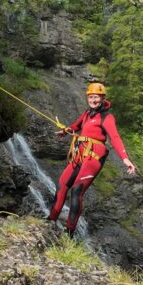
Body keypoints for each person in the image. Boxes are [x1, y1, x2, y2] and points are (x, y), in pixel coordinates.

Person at [48, 82, 136, 236]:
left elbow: (114, 137)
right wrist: (66, 131)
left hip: (94, 158)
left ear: (102, 98)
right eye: (91, 97)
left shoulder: (106, 117)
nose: (93, 100)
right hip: (80, 154)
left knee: (77, 191)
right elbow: (76, 126)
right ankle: (50, 221)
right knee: (62, 184)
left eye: (96, 97)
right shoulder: (87, 114)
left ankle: (69, 232)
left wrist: (125, 159)